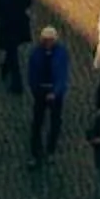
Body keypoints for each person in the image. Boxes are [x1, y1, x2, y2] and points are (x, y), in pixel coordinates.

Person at [26, 23, 73, 166]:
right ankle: (36, 152)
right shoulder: (36, 53)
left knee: (55, 122)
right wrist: (35, 89)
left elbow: (62, 75)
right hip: (40, 90)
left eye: (50, 40)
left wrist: (55, 92)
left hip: (55, 92)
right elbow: (32, 74)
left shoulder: (61, 54)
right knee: (37, 123)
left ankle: (50, 150)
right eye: (45, 40)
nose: (48, 43)